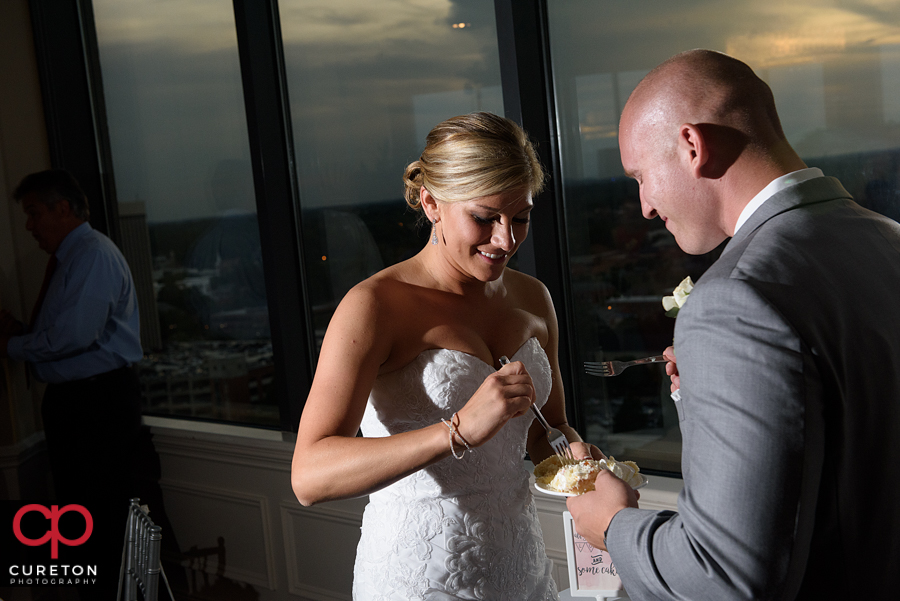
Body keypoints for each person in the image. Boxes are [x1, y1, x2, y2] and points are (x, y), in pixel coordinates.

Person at [567, 49, 900, 600]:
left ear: (692, 146)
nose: (645, 206)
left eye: (641, 177)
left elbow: (722, 576)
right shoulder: (887, 237)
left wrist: (612, 525)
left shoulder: (736, 295)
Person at [291, 112, 600, 600]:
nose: (506, 240)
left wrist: (577, 459)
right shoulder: (374, 306)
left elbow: (548, 429)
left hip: (521, 567)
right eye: (484, 218)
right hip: (419, 576)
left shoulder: (533, 297)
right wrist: (455, 431)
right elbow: (309, 476)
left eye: (520, 218)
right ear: (432, 203)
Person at [1, 169, 144, 599]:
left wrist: (11, 345)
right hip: (83, 401)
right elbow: (73, 334)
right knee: (83, 511)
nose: (28, 226)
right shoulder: (74, 258)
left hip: (95, 403)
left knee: (98, 512)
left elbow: (75, 336)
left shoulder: (91, 256)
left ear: (63, 209)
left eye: (34, 212)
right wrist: (24, 333)